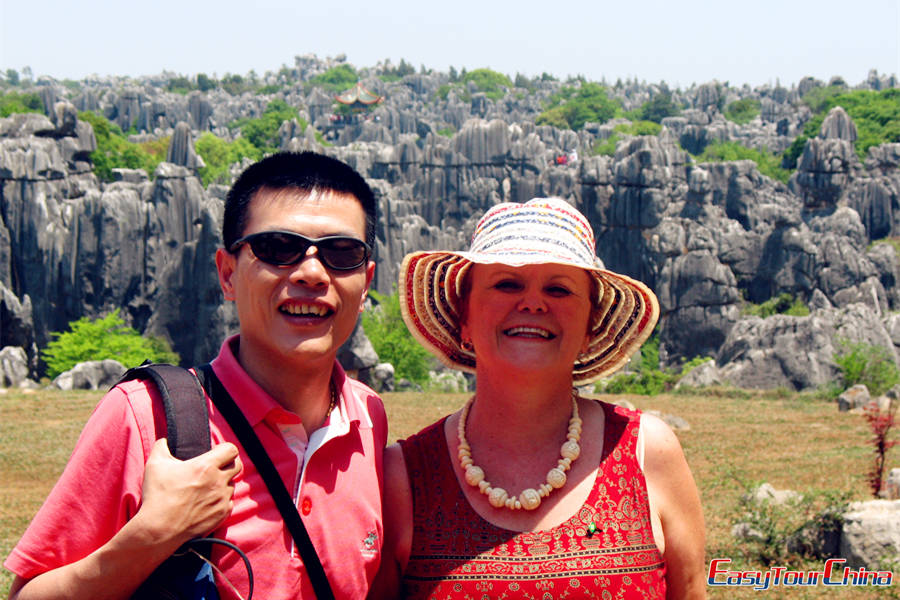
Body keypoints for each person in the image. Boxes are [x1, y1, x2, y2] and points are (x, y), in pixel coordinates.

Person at [5, 151, 388, 599]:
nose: (311, 272)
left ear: (366, 283)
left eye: (342, 253)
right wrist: (152, 536)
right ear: (227, 274)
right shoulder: (145, 417)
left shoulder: (369, 418)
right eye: (277, 248)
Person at [374, 198, 706, 598]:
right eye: (507, 283)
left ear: (589, 327)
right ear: (464, 318)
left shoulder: (646, 452)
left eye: (559, 289)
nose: (533, 303)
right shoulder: (403, 477)